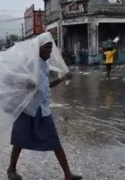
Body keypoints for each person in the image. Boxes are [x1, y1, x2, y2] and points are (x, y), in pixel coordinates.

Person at [7, 35, 82, 180]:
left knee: (54, 141)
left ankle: (67, 174)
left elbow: (45, 86)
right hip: (28, 109)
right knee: (19, 140)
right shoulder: (30, 64)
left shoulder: (43, 65)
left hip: (41, 109)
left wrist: (62, 78)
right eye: (46, 47)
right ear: (38, 48)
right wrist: (26, 84)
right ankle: (11, 169)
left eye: (51, 48)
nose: (50, 51)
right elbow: (12, 79)